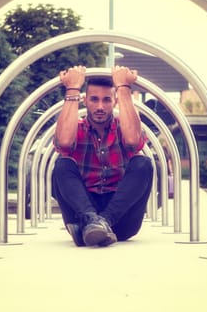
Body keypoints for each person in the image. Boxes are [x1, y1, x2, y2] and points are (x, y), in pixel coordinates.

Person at [51, 65, 153, 247]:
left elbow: (133, 142)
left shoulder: (124, 125)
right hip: (83, 209)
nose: (100, 106)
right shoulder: (77, 128)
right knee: (62, 165)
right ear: (85, 100)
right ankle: (92, 221)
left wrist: (123, 88)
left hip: (121, 218)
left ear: (114, 102)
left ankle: (98, 224)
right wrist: (72, 88)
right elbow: (64, 143)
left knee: (143, 163)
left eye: (107, 100)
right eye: (94, 99)